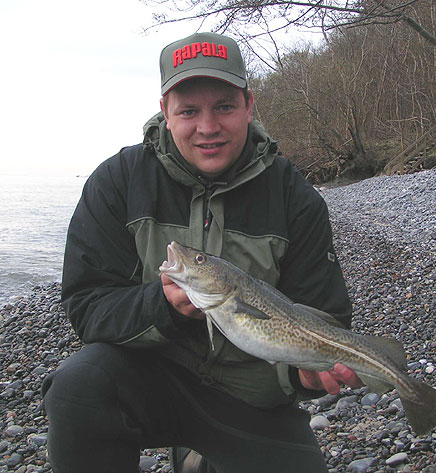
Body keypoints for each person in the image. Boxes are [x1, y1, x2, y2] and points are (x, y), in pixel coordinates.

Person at [42, 32, 362, 473]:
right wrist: (164, 306)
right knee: (77, 388)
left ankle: (201, 458)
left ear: (249, 105)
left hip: (254, 399)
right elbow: (87, 304)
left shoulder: (295, 196)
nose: (207, 127)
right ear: (165, 113)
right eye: (189, 111)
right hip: (148, 380)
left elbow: (324, 317)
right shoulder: (118, 181)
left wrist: (305, 375)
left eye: (224, 107)